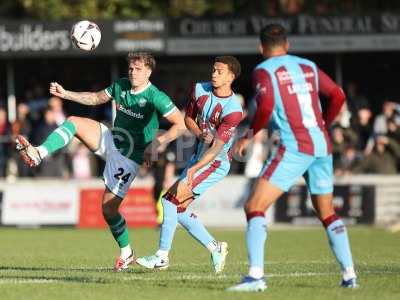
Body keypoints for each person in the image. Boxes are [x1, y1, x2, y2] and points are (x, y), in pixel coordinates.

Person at [15, 52, 186, 272]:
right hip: (111, 140)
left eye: (139, 69)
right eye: (131, 68)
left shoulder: (156, 96)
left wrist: (158, 142)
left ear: (149, 72)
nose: (133, 72)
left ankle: (127, 253)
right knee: (74, 121)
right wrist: (66, 94)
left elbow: (180, 125)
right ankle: (38, 153)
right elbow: (95, 98)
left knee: (108, 209)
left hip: (129, 157)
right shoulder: (122, 85)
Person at [227, 24, 357, 292]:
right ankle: (349, 275)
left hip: (295, 145)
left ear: (261, 48)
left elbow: (265, 106)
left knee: (254, 206)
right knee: (327, 212)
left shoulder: (264, 71)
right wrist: (324, 123)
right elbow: (338, 95)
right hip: (321, 144)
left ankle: (255, 277)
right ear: (287, 44)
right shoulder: (307, 65)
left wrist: (248, 135)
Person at [136, 56, 243, 274]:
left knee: (168, 201)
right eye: (213, 69)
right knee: (179, 209)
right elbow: (188, 119)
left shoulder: (234, 110)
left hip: (215, 163)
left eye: (220, 71)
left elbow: (215, 149)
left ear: (231, 77)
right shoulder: (199, 90)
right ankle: (216, 248)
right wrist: (198, 133)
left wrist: (194, 169)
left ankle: (161, 257)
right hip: (198, 158)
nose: (214, 74)